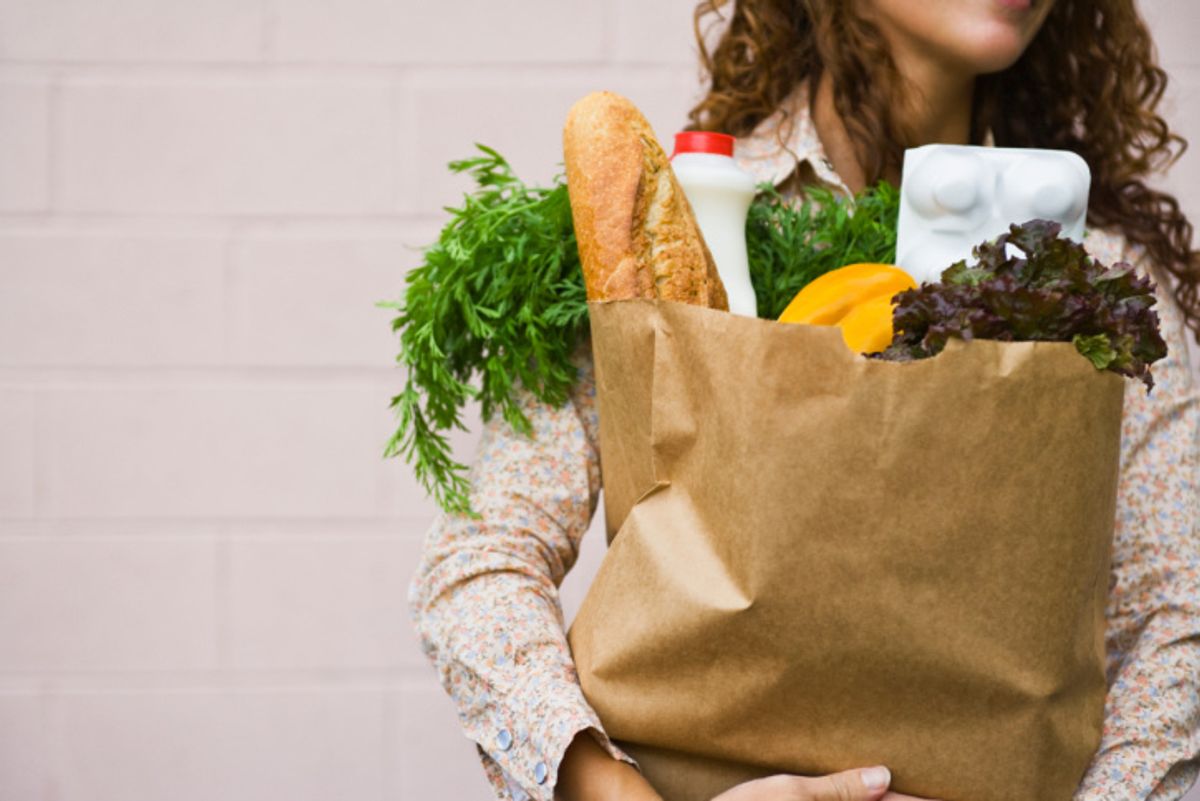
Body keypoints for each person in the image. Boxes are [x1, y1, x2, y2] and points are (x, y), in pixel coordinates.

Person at [408, 1, 1200, 799]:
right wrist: (612, 791)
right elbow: (478, 562)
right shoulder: (684, 221)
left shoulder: (1099, 280)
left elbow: (1176, 616)